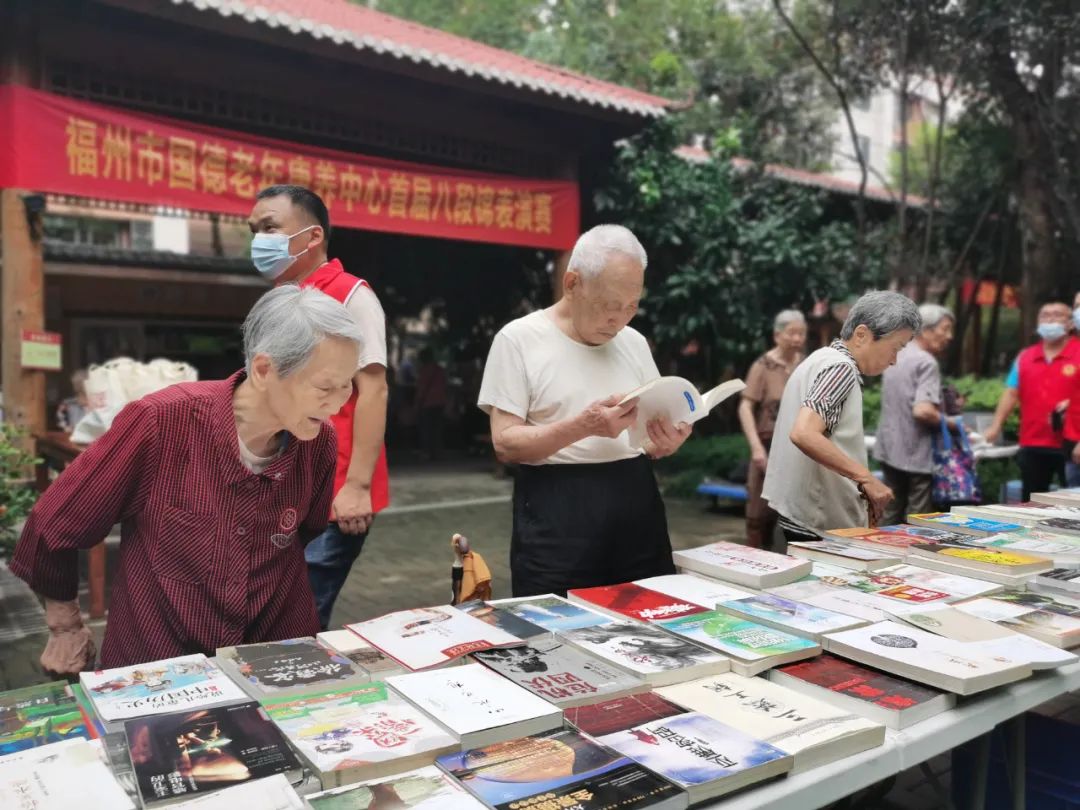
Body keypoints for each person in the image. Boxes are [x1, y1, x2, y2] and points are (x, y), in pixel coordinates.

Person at [10, 286, 363, 671]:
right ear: (264, 370)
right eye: (326, 386)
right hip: (162, 659)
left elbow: (305, 533)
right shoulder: (160, 422)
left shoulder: (318, 441)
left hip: (274, 651)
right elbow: (55, 522)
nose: (341, 401)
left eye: (348, 384)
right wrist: (65, 626)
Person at [478, 224, 691, 597]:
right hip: (557, 505)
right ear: (572, 284)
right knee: (556, 628)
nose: (619, 320)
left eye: (631, 306)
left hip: (635, 496)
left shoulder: (634, 342)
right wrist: (584, 426)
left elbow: (651, 435)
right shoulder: (518, 340)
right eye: (609, 306)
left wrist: (666, 441)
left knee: (651, 613)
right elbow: (505, 443)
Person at [248, 185, 390, 630]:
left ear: (312, 237)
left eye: (270, 227)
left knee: (297, 621)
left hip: (333, 492)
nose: (259, 239)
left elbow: (374, 391)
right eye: (254, 230)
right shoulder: (279, 301)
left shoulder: (351, 296)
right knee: (269, 615)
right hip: (282, 485)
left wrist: (358, 487)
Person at [763, 291, 921, 542]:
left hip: (798, 514)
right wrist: (867, 479)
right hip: (817, 524)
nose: (894, 361)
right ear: (861, 335)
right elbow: (804, 432)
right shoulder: (840, 368)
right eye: (895, 348)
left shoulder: (818, 358)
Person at [984, 301, 1080, 501]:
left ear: (1071, 323)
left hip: (1071, 443)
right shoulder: (1025, 357)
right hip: (1032, 439)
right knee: (1032, 500)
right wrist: (995, 426)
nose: (1050, 319)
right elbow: (1011, 393)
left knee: (1073, 502)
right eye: (1045, 315)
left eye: (1057, 315)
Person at [874, 304, 957, 524]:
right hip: (917, 453)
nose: (949, 336)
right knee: (919, 519)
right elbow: (923, 411)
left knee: (891, 512)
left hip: (890, 448)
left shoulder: (897, 354)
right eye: (945, 329)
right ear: (926, 330)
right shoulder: (926, 362)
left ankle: (882, 553)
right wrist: (953, 424)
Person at [738, 309, 807, 548]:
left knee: (796, 516)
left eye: (801, 333)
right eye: (792, 333)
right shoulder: (763, 366)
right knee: (760, 515)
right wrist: (756, 449)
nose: (797, 339)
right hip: (767, 446)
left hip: (798, 447)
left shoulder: (806, 366)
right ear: (777, 335)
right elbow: (745, 407)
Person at [415, 347, 448, 460]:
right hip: (440, 402)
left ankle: (426, 452)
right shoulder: (439, 369)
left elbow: (421, 388)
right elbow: (445, 386)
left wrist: (417, 403)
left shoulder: (424, 370)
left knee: (426, 429)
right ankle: (438, 452)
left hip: (427, 403)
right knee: (437, 429)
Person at [56, 369, 89, 434]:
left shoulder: (98, 403)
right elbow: (60, 419)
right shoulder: (67, 403)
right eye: (77, 384)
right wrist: (66, 427)